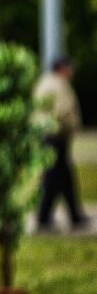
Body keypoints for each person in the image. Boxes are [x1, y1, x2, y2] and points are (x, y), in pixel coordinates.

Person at [34, 56, 89, 232]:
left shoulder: (45, 82)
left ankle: (74, 215)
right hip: (56, 136)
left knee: (65, 177)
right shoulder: (59, 84)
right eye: (70, 67)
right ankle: (44, 217)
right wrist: (70, 126)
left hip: (48, 135)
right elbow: (63, 110)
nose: (72, 72)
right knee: (53, 177)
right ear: (62, 68)